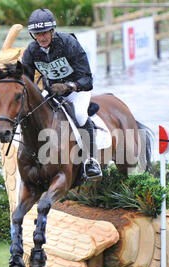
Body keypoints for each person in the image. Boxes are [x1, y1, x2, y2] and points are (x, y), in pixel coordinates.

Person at [21, 8, 101, 178]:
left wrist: (68, 86)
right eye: (37, 34)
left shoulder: (68, 43)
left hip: (76, 91)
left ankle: (91, 161)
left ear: (52, 31)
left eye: (44, 33)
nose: (41, 37)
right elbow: (25, 82)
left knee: (80, 115)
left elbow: (87, 79)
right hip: (51, 93)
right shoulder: (31, 51)